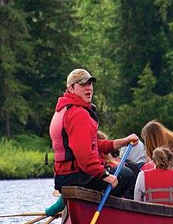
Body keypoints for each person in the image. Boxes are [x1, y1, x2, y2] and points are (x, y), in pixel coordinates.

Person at [49, 68, 137, 198]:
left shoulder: (63, 110)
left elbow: (93, 145)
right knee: (128, 175)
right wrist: (105, 176)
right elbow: (84, 155)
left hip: (64, 177)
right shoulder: (79, 114)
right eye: (82, 84)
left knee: (126, 171)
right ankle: (118, 215)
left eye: (90, 84)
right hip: (79, 177)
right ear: (71, 88)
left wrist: (122, 142)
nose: (88, 88)